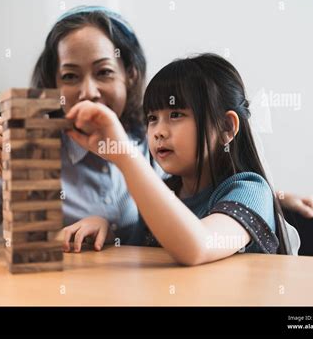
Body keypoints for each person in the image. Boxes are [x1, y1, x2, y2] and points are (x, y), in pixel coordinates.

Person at [0, 6, 313, 254]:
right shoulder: (31, 147)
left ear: (130, 76)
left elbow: (215, 200)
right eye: (69, 76)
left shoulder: (158, 156)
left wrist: (275, 197)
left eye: (104, 72)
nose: (87, 91)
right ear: (51, 86)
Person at [64, 53, 301, 264]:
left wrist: (125, 156)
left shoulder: (250, 191)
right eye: (152, 118)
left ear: (227, 128)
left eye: (175, 114)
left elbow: (198, 246)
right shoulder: (165, 193)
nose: (158, 131)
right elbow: (139, 255)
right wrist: (107, 231)